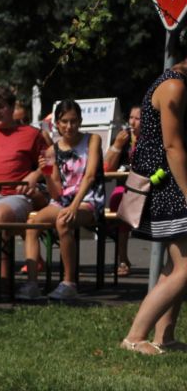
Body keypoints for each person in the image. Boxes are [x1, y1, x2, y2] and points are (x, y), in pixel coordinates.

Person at [121, 61, 187, 355]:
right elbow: (172, 146)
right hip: (171, 185)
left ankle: (165, 336)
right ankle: (134, 338)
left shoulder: (176, 81)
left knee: (177, 266)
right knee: (185, 267)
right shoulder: (174, 86)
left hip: (173, 184)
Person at [18, 100, 105, 301]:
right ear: (57, 123)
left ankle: (69, 283)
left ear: (80, 121)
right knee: (31, 224)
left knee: (63, 221)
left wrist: (74, 206)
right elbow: (56, 193)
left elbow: (90, 176)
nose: (69, 126)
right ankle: (32, 284)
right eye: (64, 121)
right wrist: (46, 173)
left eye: (73, 121)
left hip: (89, 199)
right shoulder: (52, 150)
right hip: (63, 201)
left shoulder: (92, 140)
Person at [0, 86, 50, 282]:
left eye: (1, 107)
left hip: (16, 194)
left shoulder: (31, 134)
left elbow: (50, 163)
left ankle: (3, 281)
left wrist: (34, 175)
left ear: (12, 107)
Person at [105, 105, 141, 277]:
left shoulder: (152, 139)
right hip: (125, 187)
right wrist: (117, 146)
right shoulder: (123, 138)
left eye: (138, 118)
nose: (133, 123)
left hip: (147, 187)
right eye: (131, 118)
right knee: (118, 198)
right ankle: (122, 258)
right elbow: (107, 167)